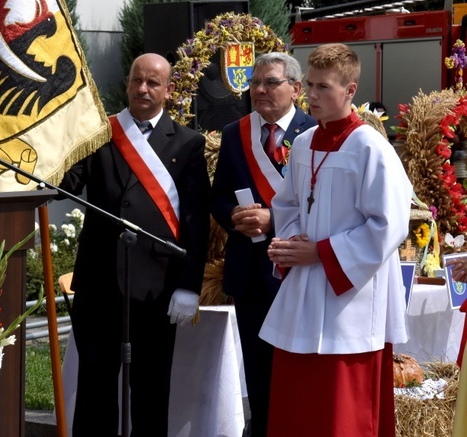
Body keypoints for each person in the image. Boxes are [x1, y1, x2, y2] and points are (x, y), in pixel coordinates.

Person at [259, 43, 411, 436]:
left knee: (342, 412)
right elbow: (287, 204)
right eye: (309, 85)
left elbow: (390, 225)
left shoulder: (371, 148)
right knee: (298, 405)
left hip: (350, 298)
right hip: (306, 292)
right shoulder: (305, 143)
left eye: (323, 87)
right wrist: (292, 244)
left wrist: (322, 253)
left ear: (350, 90)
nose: (311, 96)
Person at [60, 53, 211, 436]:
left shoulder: (189, 143)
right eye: (136, 81)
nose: (142, 89)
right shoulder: (100, 133)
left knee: (150, 389)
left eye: (152, 83)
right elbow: (67, 183)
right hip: (100, 282)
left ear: (169, 89)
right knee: (95, 387)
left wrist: (189, 285)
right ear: (127, 83)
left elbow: (196, 221)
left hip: (156, 286)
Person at [210, 52, 316, 437]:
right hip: (251, 273)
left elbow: (323, 205)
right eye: (255, 83)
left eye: (270, 82)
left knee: (299, 370)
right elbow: (219, 196)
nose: (259, 90)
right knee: (258, 371)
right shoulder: (234, 133)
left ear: (295, 88)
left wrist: (275, 219)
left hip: (300, 272)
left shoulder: (315, 132)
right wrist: (234, 218)